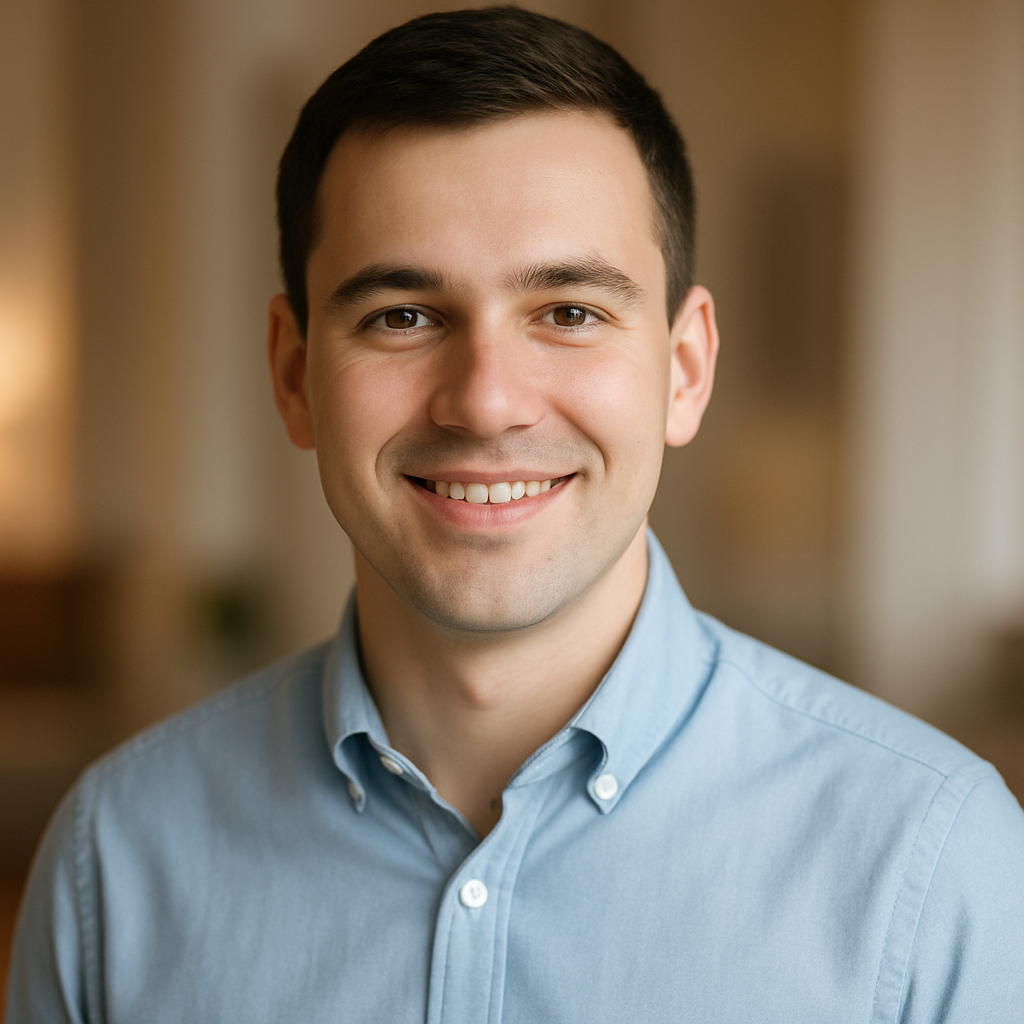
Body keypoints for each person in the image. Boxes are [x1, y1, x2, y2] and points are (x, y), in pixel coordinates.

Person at [7, 7, 1024, 1022]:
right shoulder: (114, 861)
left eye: (569, 312)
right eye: (401, 315)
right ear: (293, 374)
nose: (487, 400)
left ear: (684, 368)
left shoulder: (930, 864)